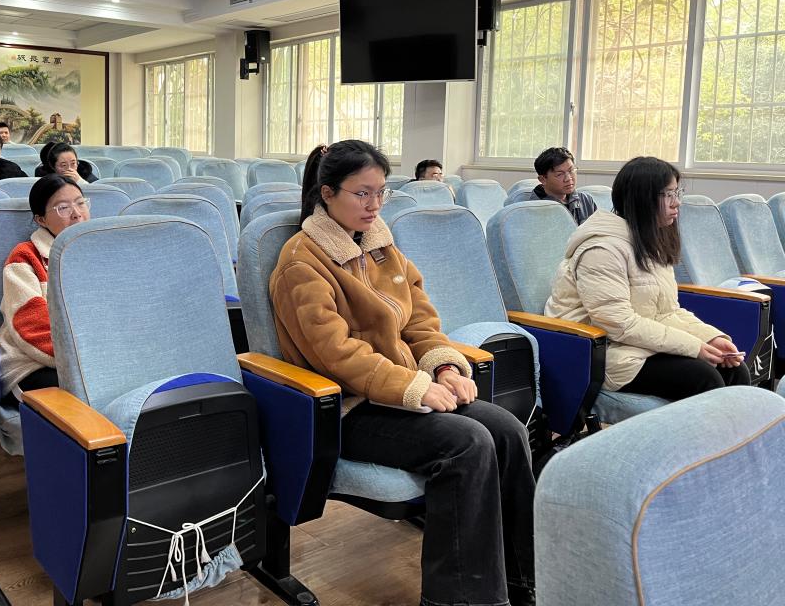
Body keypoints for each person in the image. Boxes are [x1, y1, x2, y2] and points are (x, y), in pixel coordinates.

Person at [270, 140, 536, 606]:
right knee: (468, 444)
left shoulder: (382, 247)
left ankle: (524, 582)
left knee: (509, 431)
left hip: (405, 391)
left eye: (381, 192)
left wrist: (444, 366)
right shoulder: (301, 262)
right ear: (327, 193)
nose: (374, 205)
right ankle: (459, 600)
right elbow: (336, 354)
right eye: (362, 194)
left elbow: (419, 321)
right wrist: (413, 386)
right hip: (348, 407)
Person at [546, 156, 750, 400]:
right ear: (642, 199)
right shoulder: (602, 250)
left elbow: (667, 311)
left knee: (736, 370)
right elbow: (619, 324)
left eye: (677, 193)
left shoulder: (649, 240)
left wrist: (710, 337)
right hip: (602, 352)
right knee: (706, 378)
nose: (677, 203)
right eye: (668, 195)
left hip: (639, 343)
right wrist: (694, 347)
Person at [0, 175, 91, 402]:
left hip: (89, 357)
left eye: (80, 203)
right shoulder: (25, 256)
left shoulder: (101, 251)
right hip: (30, 363)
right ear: (41, 219)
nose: (77, 213)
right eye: (63, 208)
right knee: (90, 391)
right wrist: (84, 359)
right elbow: (30, 323)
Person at [513, 147, 596, 225]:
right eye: (559, 174)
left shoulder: (586, 200)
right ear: (543, 179)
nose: (568, 178)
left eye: (571, 170)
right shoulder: (532, 208)